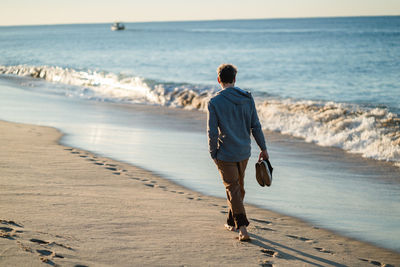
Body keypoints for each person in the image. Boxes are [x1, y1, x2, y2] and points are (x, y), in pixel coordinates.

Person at [207, 63, 269, 241]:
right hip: (244, 152)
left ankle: (242, 228)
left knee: (234, 189)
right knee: (237, 189)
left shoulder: (214, 102)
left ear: (219, 79)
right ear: (234, 79)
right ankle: (231, 221)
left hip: (226, 153)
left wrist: (213, 153)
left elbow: (211, 132)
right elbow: (255, 126)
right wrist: (263, 148)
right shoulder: (248, 98)